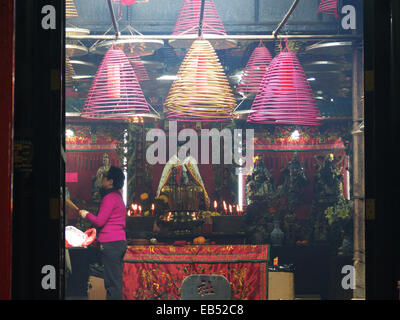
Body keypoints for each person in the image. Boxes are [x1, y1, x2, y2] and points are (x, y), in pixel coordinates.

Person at [79, 165, 126, 300]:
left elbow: (100, 222)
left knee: (112, 284)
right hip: (117, 242)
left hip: (111, 244)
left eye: (104, 177)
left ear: (110, 182)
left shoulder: (110, 197)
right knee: (114, 281)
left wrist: (86, 214)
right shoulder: (117, 197)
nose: (101, 180)